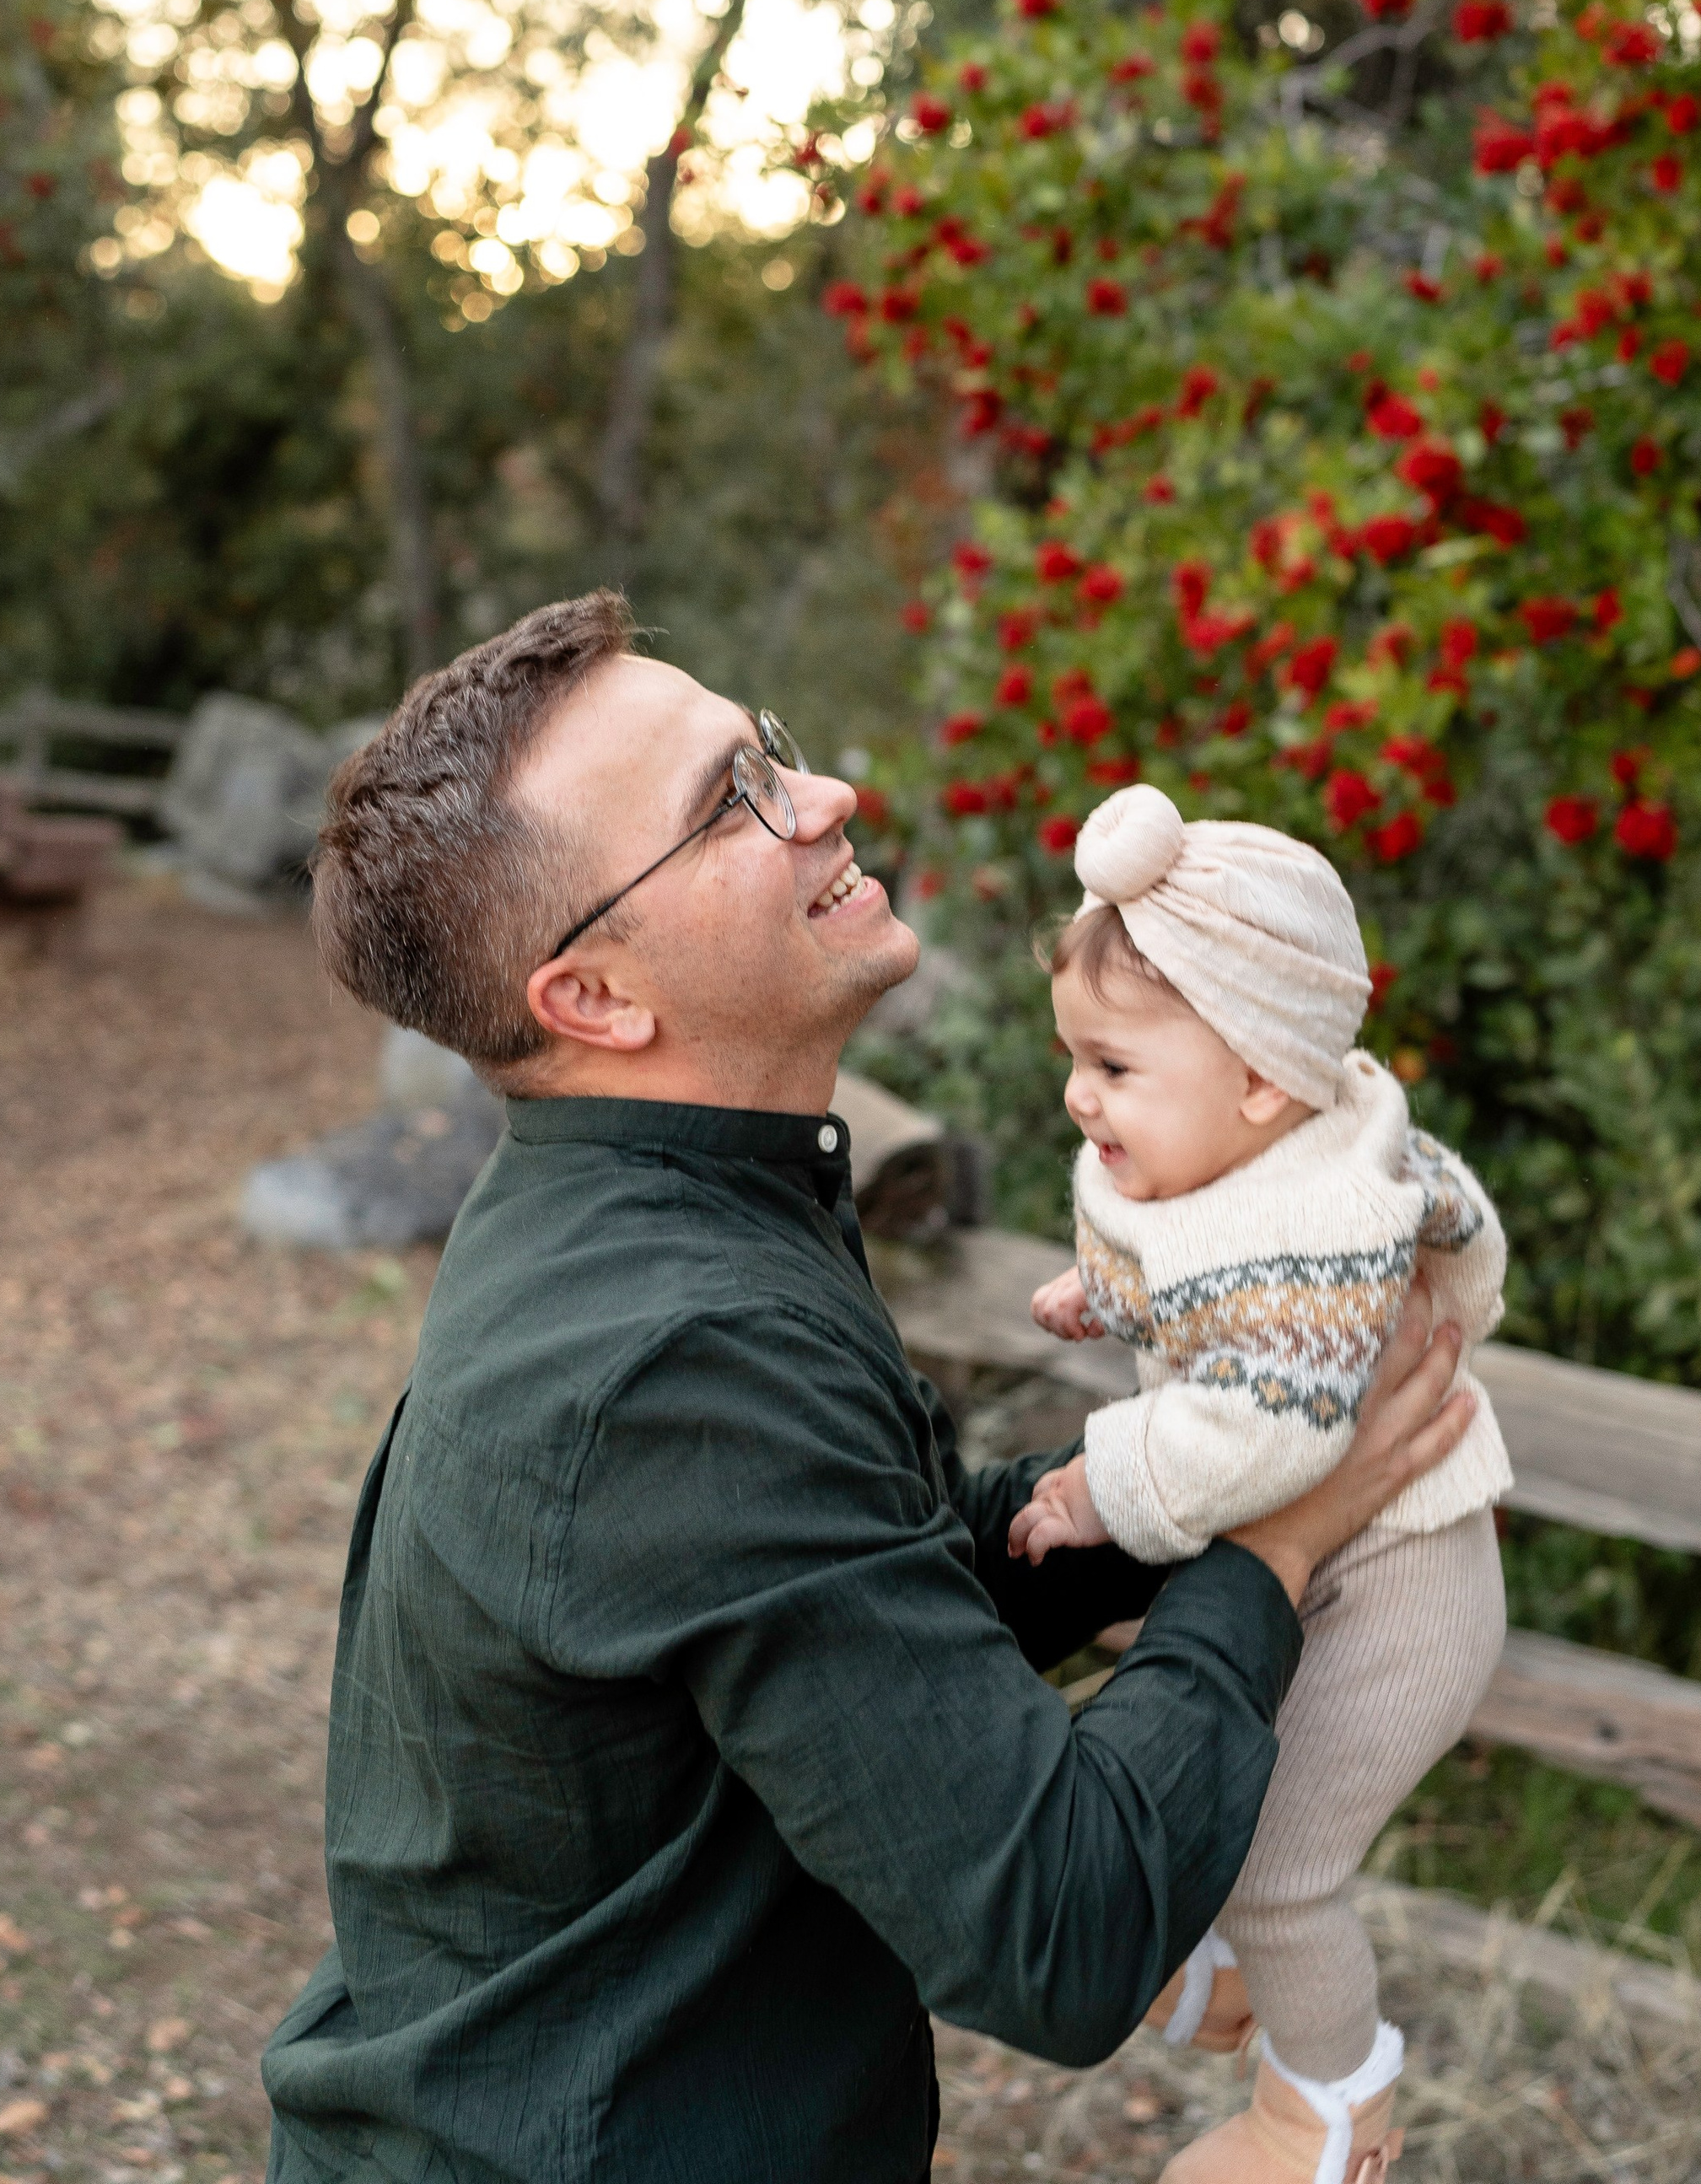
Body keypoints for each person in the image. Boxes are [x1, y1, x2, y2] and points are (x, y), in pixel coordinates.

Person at [260, 593, 1478, 2184]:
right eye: (730, 802)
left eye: (766, 745)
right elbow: (1058, 1929)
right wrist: (1278, 1540)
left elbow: (856, 1581)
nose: (820, 795)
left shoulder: (660, 1206)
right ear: (597, 1002)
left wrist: (1167, 1478)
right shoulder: (676, 1358)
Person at [1009, 782, 1512, 2184]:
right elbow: (1446, 1228)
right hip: (1333, 1566)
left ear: (1259, 1083)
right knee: (1227, 1799)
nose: (1077, 1095)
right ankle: (1231, 1983)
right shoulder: (1277, 1136)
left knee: (1288, 1863)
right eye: (1076, 1059)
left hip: (1405, 1590)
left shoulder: (1315, 1226)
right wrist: (1110, 1293)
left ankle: (1334, 2109)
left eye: (1111, 1069)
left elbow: (1267, 1439)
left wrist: (1100, 1486)